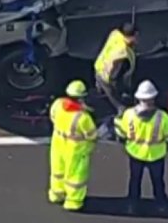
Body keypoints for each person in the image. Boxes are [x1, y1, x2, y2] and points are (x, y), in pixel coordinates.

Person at [114, 79, 168, 215]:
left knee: (134, 181)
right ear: (153, 98)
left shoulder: (129, 114)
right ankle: (161, 204)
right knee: (158, 181)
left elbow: (121, 132)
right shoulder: (162, 117)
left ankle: (132, 205)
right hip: (156, 154)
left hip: (135, 152)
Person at [48, 80, 98, 211]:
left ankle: (56, 194)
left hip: (58, 142)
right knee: (75, 175)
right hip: (76, 149)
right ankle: (73, 201)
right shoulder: (83, 117)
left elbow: (52, 117)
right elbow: (92, 135)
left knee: (57, 170)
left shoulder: (58, 104)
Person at [93, 23, 138, 115]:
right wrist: (113, 82)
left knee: (101, 86)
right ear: (132, 36)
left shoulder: (115, 34)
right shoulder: (122, 52)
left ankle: (100, 91)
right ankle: (122, 112)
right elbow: (115, 68)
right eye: (136, 36)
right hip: (107, 76)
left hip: (99, 67)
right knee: (116, 97)